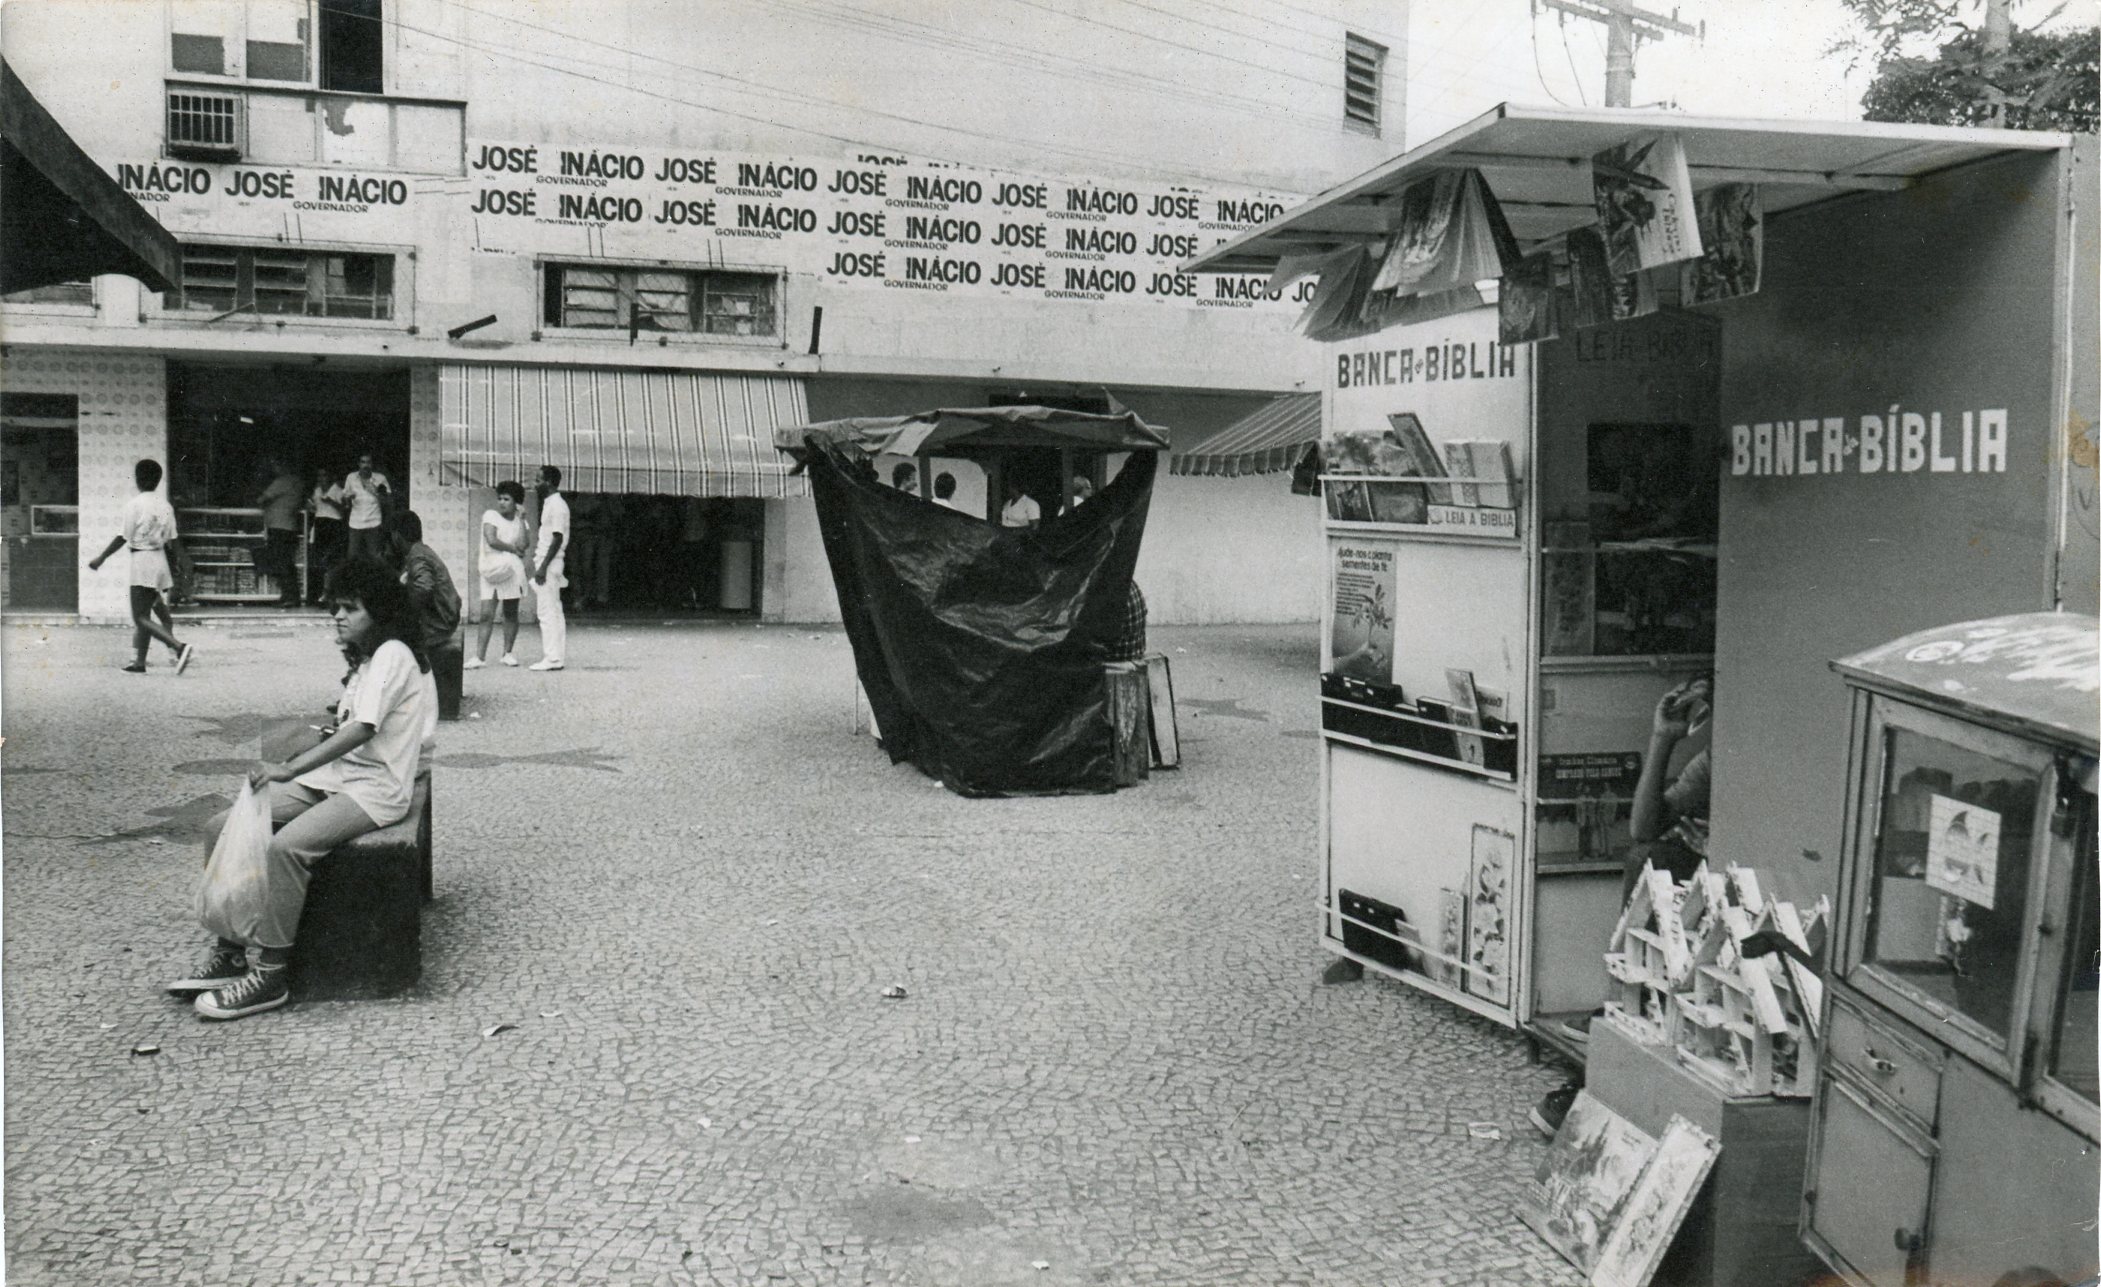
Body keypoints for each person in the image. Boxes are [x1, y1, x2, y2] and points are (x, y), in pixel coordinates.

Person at [168, 557, 437, 1020]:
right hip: (336, 779)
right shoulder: (370, 659)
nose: (338, 616)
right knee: (224, 824)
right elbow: (344, 727)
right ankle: (230, 953)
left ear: (379, 611)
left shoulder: (394, 653)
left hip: (374, 790)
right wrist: (301, 748)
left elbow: (363, 730)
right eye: (336, 606)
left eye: (350, 608)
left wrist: (289, 771)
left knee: (286, 848)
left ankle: (271, 974)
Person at [1530, 674, 1714, 1138]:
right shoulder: (1713, 763)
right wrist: (1662, 740)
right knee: (1648, 858)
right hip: (1708, 898)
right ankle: (1623, 1004)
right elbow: (1643, 827)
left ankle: (1620, 1032)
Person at [87, 459, 195, 675]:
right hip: (160, 560)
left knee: (139, 617)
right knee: (146, 612)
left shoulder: (134, 505)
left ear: (138, 479)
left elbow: (122, 537)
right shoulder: (165, 506)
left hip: (142, 562)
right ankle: (139, 663)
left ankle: (179, 647)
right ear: (158, 480)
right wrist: (185, 566)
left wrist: (101, 558)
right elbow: (174, 540)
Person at [467, 481, 530, 669]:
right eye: (500, 498)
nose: (502, 502)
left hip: (511, 570)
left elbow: (524, 545)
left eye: (507, 499)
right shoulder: (491, 515)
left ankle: (508, 653)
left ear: (516, 502)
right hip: (491, 568)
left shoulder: (521, 522)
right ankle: (479, 657)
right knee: (487, 613)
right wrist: (512, 549)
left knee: (510, 613)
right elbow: (491, 540)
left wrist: (521, 518)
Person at [388, 509, 462, 658]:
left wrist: (405, 612)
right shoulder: (421, 551)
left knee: (384, 635)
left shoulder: (417, 557)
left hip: (437, 626)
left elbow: (424, 587)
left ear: (396, 536)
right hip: (444, 620)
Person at [529, 465, 569, 671]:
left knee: (546, 612)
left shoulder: (557, 506)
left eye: (538, 480)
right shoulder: (551, 504)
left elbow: (557, 537)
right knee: (554, 610)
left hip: (550, 562)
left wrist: (543, 566)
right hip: (549, 562)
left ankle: (552, 657)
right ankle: (556, 656)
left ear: (549, 483)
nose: (535, 484)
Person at [257, 454, 305, 608]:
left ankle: (288, 597)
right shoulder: (297, 482)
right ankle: (292, 596)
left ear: (283, 466)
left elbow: (262, 499)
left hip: (278, 526)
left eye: (275, 466)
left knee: (280, 562)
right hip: (290, 526)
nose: (274, 469)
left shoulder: (282, 481)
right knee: (287, 563)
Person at [341, 452, 392, 564]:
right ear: (358, 464)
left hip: (374, 522)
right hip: (355, 523)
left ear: (372, 464)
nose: (365, 465)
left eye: (368, 462)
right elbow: (345, 503)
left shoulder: (380, 478)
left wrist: (374, 490)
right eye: (363, 462)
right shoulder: (351, 477)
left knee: (375, 557)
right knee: (352, 557)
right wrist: (348, 498)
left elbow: (388, 501)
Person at [306, 465, 346, 604]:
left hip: (333, 525)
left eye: (324, 475)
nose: (321, 479)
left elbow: (344, 510)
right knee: (319, 560)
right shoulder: (317, 490)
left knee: (332, 561)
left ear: (330, 477)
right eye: (319, 476)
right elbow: (315, 508)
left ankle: (330, 595)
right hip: (320, 524)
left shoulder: (338, 490)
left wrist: (331, 502)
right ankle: (319, 594)